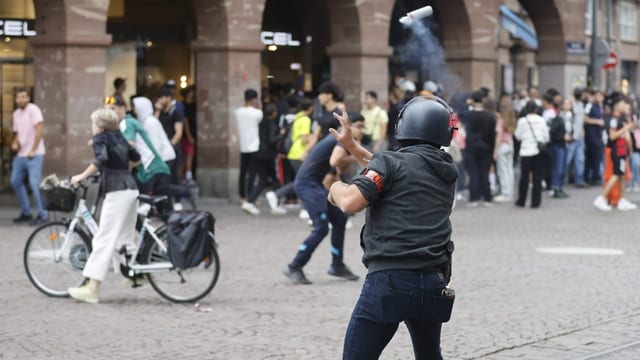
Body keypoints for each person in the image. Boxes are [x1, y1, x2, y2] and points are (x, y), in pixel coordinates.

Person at [327, 96, 457, 359]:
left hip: (390, 280)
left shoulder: (391, 164)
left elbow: (351, 202)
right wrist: (353, 146)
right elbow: (392, 168)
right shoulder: (445, 170)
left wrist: (335, 188)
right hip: (433, 281)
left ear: (404, 126)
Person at [282, 114, 366, 285]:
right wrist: (356, 154)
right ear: (347, 126)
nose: (361, 130)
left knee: (340, 219)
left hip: (316, 185)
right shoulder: (339, 140)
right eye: (358, 126)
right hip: (307, 185)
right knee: (321, 228)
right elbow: (335, 160)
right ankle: (294, 266)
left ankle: (337, 264)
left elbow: (337, 167)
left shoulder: (340, 141)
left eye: (363, 127)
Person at [67, 108, 140, 304]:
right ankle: (138, 274)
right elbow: (136, 157)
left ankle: (92, 288)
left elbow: (101, 159)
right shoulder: (120, 137)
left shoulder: (101, 138)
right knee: (124, 237)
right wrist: (121, 169)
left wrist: (81, 177)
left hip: (117, 192)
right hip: (132, 189)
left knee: (103, 238)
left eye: (92, 124)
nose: (91, 127)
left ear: (100, 126)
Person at [265, 98, 314, 214]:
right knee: (304, 180)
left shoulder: (297, 117)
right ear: (310, 108)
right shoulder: (306, 119)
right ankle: (303, 208)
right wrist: (313, 138)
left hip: (293, 152)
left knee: (301, 180)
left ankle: (277, 195)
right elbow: (304, 139)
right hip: (300, 153)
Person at [10, 88, 48, 226]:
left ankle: (43, 214)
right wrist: (15, 143)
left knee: (35, 184)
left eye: (23, 97)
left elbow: (39, 129)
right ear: (15, 99)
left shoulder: (33, 109)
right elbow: (18, 134)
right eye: (18, 97)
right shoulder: (16, 114)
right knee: (15, 181)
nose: (21, 99)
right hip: (21, 155)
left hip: (35, 154)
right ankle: (26, 212)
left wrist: (33, 149)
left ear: (28, 98)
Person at [593, 98, 637, 211]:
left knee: (621, 175)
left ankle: (622, 200)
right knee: (616, 174)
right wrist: (626, 128)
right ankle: (602, 197)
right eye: (623, 103)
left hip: (622, 150)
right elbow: (612, 136)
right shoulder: (613, 120)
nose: (625, 106)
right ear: (616, 106)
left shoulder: (621, 119)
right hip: (616, 150)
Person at [514, 101, 549, 208]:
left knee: (524, 177)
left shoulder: (522, 121)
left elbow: (518, 136)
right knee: (537, 178)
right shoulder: (541, 120)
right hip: (538, 152)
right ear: (536, 109)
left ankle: (522, 200)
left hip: (525, 151)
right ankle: (536, 202)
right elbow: (546, 137)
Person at [234, 89, 263, 214]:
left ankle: (242, 197)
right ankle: (251, 198)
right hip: (254, 146)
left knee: (242, 173)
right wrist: (260, 107)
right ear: (254, 99)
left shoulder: (237, 112)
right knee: (252, 174)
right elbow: (260, 119)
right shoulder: (257, 113)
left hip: (243, 146)